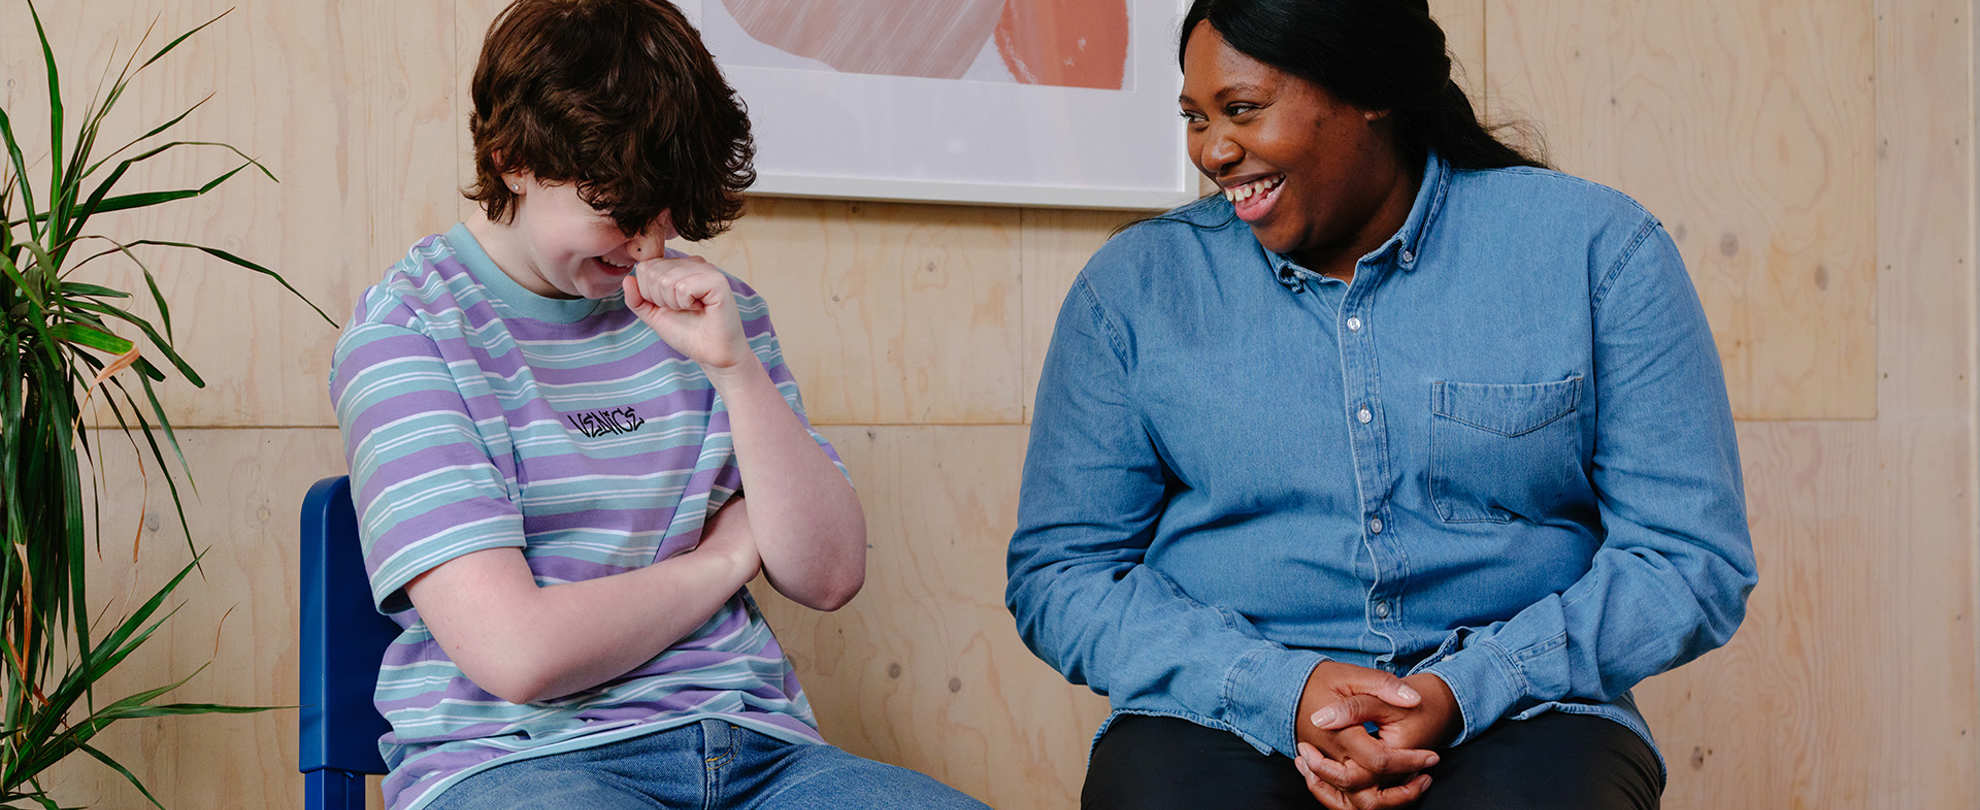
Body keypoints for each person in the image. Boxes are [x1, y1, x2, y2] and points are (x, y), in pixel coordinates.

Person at [1004, 1, 1758, 808]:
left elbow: (1689, 558)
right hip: (1219, 712)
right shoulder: (1133, 292)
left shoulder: (1596, 250)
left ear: (1371, 91)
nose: (1214, 152)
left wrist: (1472, 686)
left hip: (1531, 707)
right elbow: (1064, 572)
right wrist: (1280, 688)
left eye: (1243, 110)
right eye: (1196, 117)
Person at [328, 2, 987, 808]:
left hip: (760, 751)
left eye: (664, 210)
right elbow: (517, 653)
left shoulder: (714, 314)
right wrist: (720, 559)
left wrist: (737, 371)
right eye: (618, 207)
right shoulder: (409, 331)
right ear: (512, 160)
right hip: (518, 764)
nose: (646, 245)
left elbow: (827, 576)